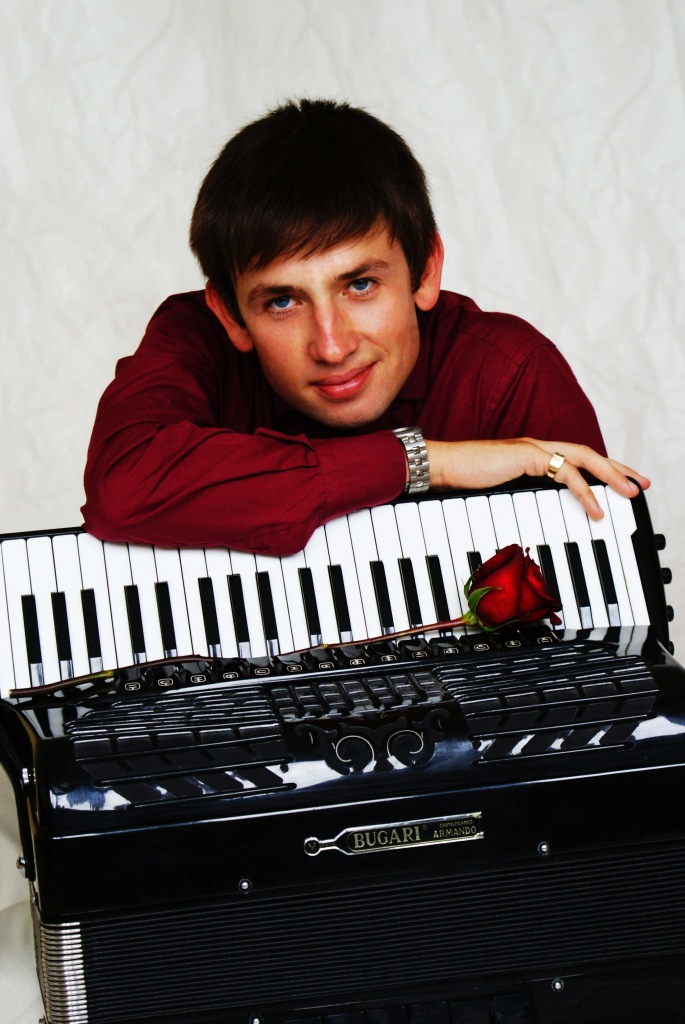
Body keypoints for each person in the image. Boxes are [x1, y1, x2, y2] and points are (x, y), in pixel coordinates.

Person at [81, 98, 648, 556]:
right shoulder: (196, 342)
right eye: (282, 301)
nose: (332, 346)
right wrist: (427, 461)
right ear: (231, 314)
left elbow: (587, 625)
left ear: (424, 271)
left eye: (359, 285)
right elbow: (124, 489)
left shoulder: (506, 373)